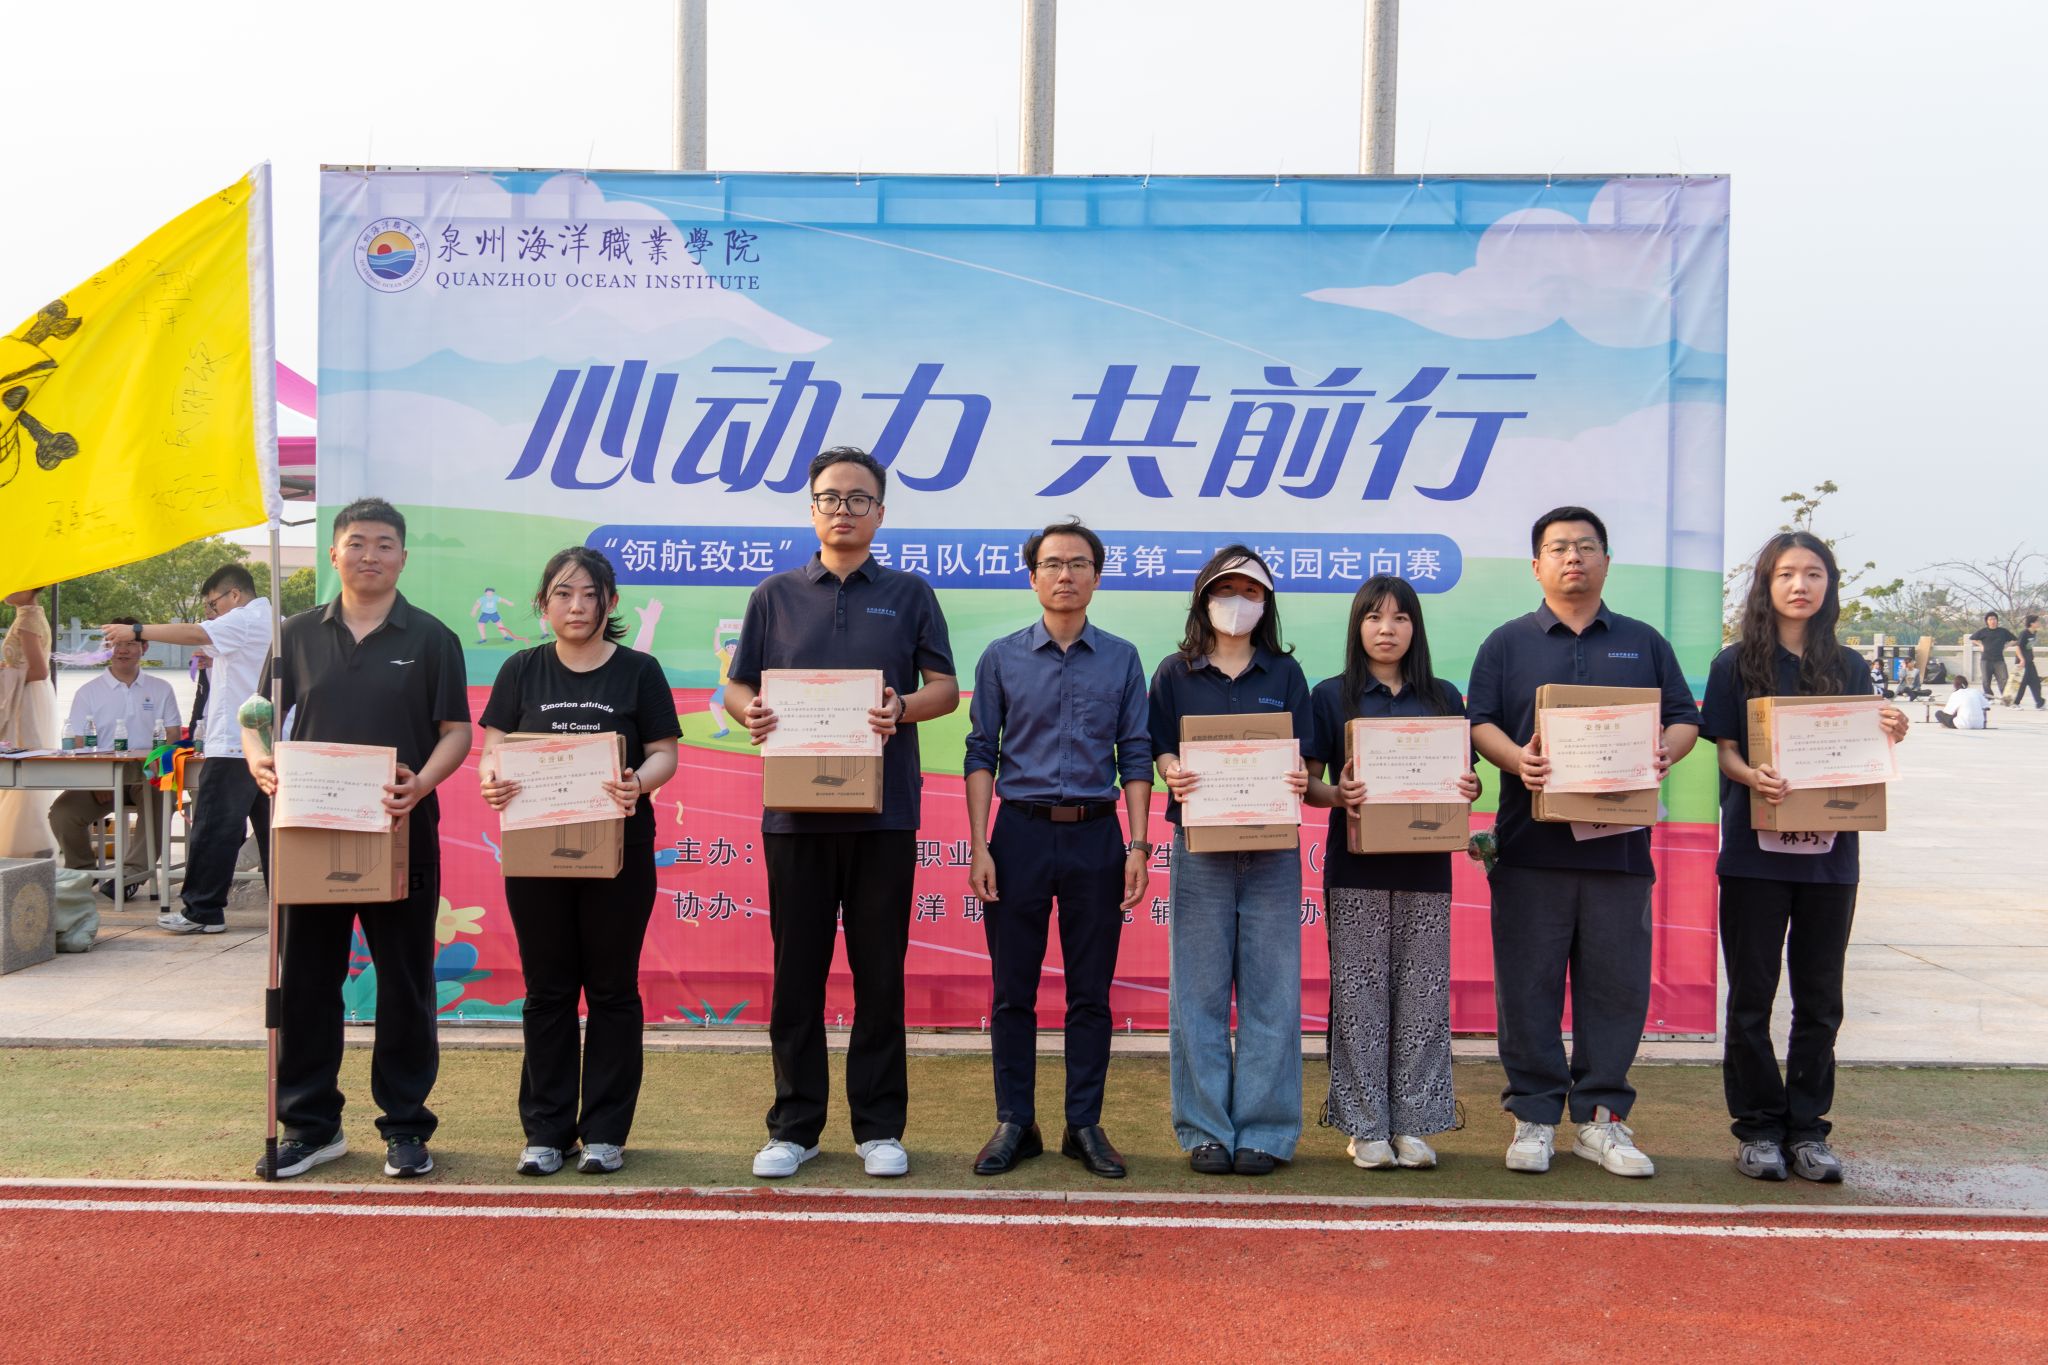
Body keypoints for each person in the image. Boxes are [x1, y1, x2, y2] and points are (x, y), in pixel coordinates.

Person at [724, 447, 959, 1180]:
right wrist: (750, 712)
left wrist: (901, 707)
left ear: (880, 513)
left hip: (884, 815)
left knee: (879, 972)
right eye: (831, 497)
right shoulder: (774, 595)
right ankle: (794, 1126)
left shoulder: (910, 593)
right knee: (796, 973)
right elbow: (737, 687)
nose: (844, 510)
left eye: (860, 499)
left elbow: (945, 688)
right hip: (796, 816)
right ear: (813, 509)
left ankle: (879, 1127)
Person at [1467, 506, 1701, 1179]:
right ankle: (1535, 1115)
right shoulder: (1506, 643)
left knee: (1615, 987)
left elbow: (1684, 719)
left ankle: (1603, 1118)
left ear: (1606, 559)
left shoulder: (1642, 641)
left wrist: (1664, 750)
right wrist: (1518, 760)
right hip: (1529, 851)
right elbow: (1479, 721)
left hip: (1618, 853)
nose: (1573, 557)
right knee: (1527, 986)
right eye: (1559, 547)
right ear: (1536, 564)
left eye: (1587, 546)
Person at [247, 498, 472, 1180]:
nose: (369, 554)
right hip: (311, 831)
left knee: (404, 982)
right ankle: (311, 1125)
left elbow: (456, 732)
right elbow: (258, 715)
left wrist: (421, 784)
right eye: (356, 542)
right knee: (307, 978)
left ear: (403, 556)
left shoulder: (432, 637)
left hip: (401, 829)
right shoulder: (294, 634)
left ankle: (405, 1126)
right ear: (334, 553)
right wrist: (259, 759)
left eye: (383, 544)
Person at [1704, 531, 1909, 1183]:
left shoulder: (1848, 666)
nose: (1801, 585)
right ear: (1766, 584)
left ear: (1829, 586)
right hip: (1754, 858)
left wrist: (1892, 729)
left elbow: (1865, 750)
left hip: (1830, 861)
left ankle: (1808, 1130)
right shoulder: (1734, 664)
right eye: (1787, 573)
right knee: (1752, 997)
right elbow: (1725, 750)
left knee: (1820, 999)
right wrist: (1751, 775)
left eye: (1814, 573)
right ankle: (1758, 1128)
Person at [479, 547, 680, 1177]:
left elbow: (665, 752)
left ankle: (605, 1132)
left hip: (619, 853)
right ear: (543, 603)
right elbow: (494, 748)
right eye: (563, 594)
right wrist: (491, 779)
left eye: (590, 594)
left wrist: (638, 783)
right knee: (548, 990)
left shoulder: (639, 670)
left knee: (613, 989)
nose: (576, 606)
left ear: (610, 602)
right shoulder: (521, 669)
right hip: (535, 851)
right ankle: (547, 1131)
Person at [963, 519, 1153, 1179]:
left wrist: (1138, 845)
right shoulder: (1001, 657)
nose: (1065, 574)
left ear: (1096, 577)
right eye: (1052, 564)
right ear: (1033, 576)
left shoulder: (1123, 658)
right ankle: (1016, 1121)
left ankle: (1083, 1124)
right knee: (1011, 989)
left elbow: (1135, 753)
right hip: (1017, 833)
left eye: (1078, 563)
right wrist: (980, 844)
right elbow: (981, 751)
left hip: (1097, 836)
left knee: (1090, 991)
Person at [1303, 576, 1480, 1172]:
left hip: (1427, 868)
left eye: (1400, 618)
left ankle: (1414, 1123)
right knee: (1360, 999)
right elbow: (1309, 783)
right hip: (1355, 869)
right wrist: (1338, 793)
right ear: (1358, 627)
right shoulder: (1331, 696)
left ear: (1415, 628)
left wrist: (1469, 786)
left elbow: (1465, 780)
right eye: (1374, 617)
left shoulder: (1443, 697)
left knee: (1422, 998)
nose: (1387, 629)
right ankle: (1364, 1126)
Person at [1148, 546, 1312, 1177]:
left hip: (1273, 852)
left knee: (1273, 993)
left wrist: (1301, 776)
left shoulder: (1285, 674)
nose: (1237, 602)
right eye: (1226, 590)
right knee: (1199, 994)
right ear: (1203, 598)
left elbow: (1307, 756)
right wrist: (1172, 770)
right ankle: (1205, 1129)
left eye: (1250, 592)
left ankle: (1266, 1131)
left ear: (1266, 603)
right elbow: (1158, 744)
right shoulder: (1175, 672)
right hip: (1201, 851)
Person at [100, 565, 273, 934]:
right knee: (272, 833)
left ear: (235, 595)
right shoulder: (273, 621)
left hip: (235, 745)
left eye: (213, 605)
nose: (212, 614)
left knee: (214, 827)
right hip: (267, 743)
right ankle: (288, 907)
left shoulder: (243, 619)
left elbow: (196, 633)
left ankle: (203, 911)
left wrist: (136, 630)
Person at [49, 615, 182, 897]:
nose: (122, 650)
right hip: (102, 775)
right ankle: (82, 872)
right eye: (115, 643)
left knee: (162, 793)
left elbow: (172, 733)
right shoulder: (88, 692)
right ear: (106, 647)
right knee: (62, 813)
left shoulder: (161, 688)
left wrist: (155, 764)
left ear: (144, 647)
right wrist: (95, 778)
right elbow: (78, 741)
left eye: (130, 643)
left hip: (145, 773)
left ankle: (132, 874)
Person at [0, 588, 58, 858]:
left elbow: (39, 670)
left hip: (27, 702)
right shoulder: (30, 615)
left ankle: (29, 844)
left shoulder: (27, 620)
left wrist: (6, 676)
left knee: (23, 766)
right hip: (28, 696)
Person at [1969, 612, 2017, 703]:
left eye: (1994, 619)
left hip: (1999, 660)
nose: (1992, 621)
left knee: (2004, 679)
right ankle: (1990, 698)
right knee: (1986, 681)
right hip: (1986, 660)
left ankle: (2005, 698)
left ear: (1997, 620)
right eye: (1990, 619)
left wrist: (2006, 646)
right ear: (1987, 621)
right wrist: (1980, 645)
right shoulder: (1983, 631)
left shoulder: (2003, 631)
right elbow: (1972, 638)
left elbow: (2014, 639)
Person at [2017, 614, 2042, 709]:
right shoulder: (2024, 633)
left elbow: (2029, 646)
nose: (2039, 623)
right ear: (2032, 623)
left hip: (2030, 662)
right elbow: (2018, 647)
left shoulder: (2034, 633)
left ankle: (2039, 703)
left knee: (2035, 682)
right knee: (2022, 684)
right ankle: (2015, 703)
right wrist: (2022, 659)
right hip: (2022, 663)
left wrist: (2031, 655)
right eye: (2037, 621)